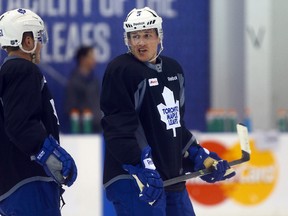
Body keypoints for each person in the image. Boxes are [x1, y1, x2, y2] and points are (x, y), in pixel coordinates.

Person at [100, 7, 236, 216]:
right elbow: (118, 128)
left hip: (170, 176)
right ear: (127, 39)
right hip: (133, 179)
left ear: (158, 36)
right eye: (134, 36)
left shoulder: (174, 71)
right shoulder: (121, 70)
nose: (140, 42)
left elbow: (174, 127)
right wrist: (140, 165)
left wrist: (199, 156)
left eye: (147, 35)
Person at [0, 8, 77, 216]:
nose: (41, 44)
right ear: (27, 41)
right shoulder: (22, 69)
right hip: (29, 182)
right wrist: (50, 154)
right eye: (38, 37)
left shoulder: (8, 71)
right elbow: (20, 124)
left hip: (15, 184)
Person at [65, 45, 102, 133]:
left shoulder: (95, 80)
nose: (94, 60)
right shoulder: (73, 82)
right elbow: (71, 108)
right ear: (83, 59)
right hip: (83, 131)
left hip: (99, 128)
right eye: (91, 57)